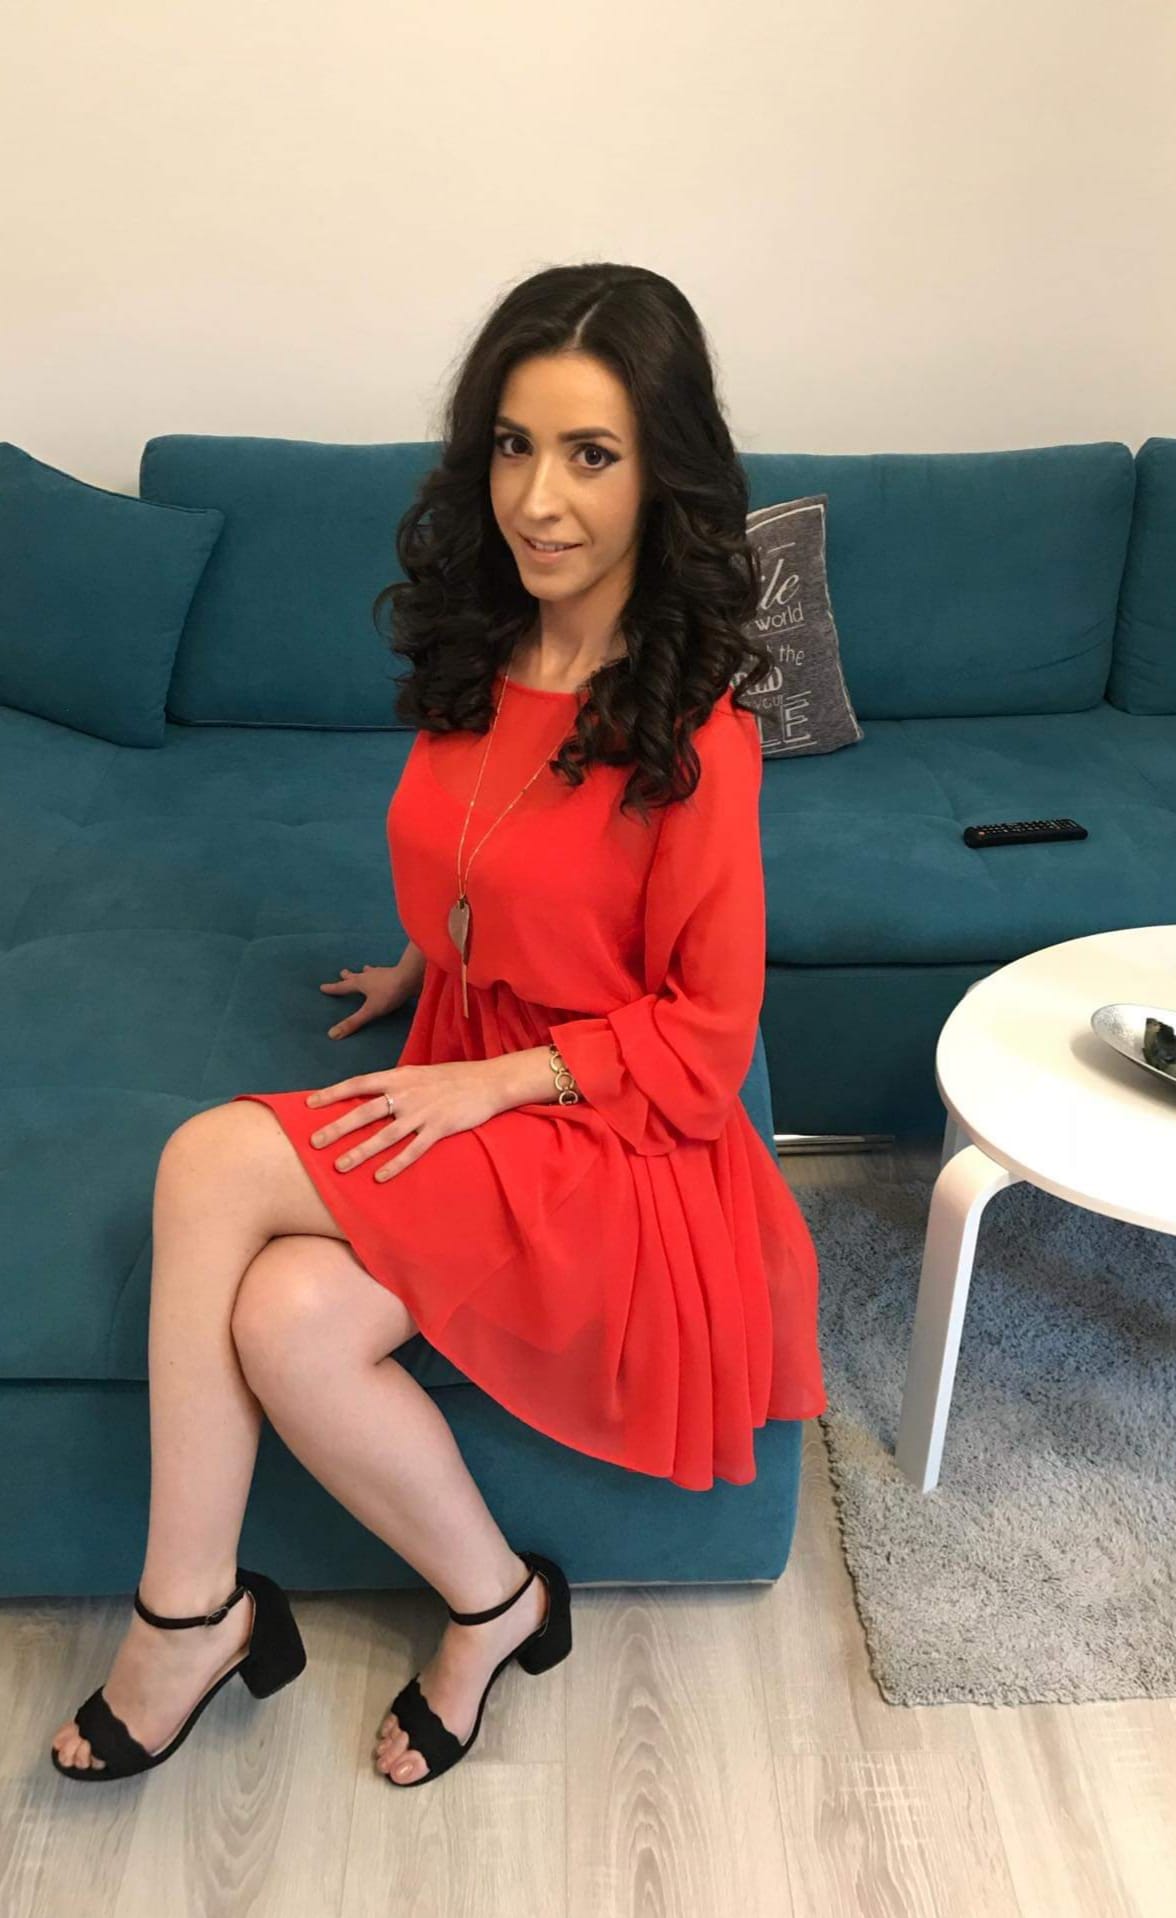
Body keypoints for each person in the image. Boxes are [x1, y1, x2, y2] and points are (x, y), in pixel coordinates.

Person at [50, 261, 827, 1790]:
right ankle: (497, 1600)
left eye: (590, 454)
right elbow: (490, 847)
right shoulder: (483, 649)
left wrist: (495, 1077)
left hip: (610, 1129)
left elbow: (707, 1034)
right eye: (514, 446)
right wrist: (436, 962)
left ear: (661, 473)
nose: (538, 499)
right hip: (478, 1053)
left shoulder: (697, 727)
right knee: (286, 1317)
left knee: (209, 1162)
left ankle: (184, 1617)